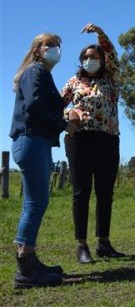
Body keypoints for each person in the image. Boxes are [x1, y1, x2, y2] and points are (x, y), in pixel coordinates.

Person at [10, 33, 77, 288]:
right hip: (31, 140)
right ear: (38, 49)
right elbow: (36, 106)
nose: (56, 50)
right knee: (37, 202)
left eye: (59, 45)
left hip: (33, 141)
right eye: (50, 45)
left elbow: (43, 103)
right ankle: (26, 268)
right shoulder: (36, 72)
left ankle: (29, 261)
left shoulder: (38, 74)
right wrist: (64, 124)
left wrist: (64, 104)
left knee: (33, 202)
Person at [61, 23, 124, 264]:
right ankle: (82, 245)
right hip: (79, 141)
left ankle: (104, 242)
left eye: (95, 56)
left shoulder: (111, 78)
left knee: (105, 192)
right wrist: (68, 116)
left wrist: (100, 33)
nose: (90, 60)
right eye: (86, 57)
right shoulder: (73, 82)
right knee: (81, 192)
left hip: (108, 140)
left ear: (103, 60)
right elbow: (57, 106)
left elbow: (112, 53)